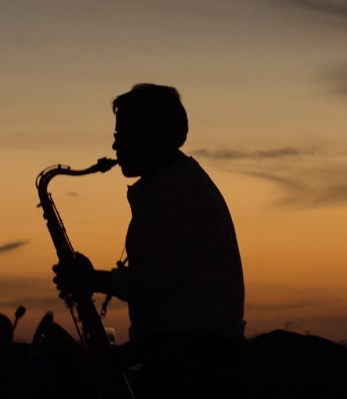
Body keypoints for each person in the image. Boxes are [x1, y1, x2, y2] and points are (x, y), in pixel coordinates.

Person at [50, 83, 245, 373]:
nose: (115, 147)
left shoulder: (173, 189)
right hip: (191, 347)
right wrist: (93, 278)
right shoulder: (176, 181)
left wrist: (90, 280)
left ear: (152, 135)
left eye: (121, 135)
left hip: (191, 356)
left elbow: (151, 282)